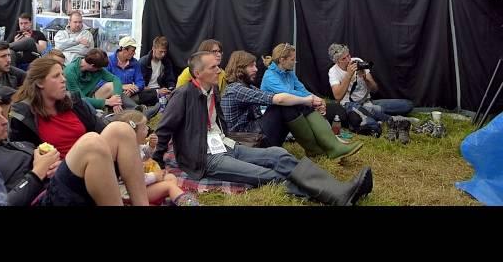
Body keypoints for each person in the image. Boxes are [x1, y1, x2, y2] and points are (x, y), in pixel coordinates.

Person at [152, 51, 373, 206]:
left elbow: (217, 125)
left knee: (278, 154)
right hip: (204, 157)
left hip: (226, 145)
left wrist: (230, 141)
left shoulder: (213, 91)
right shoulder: (184, 95)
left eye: (218, 66)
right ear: (197, 73)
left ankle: (340, 187)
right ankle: (336, 195)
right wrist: (159, 160)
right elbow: (164, 128)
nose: (219, 70)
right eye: (213, 67)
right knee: (266, 174)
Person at [9, 57, 149, 205]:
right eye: (56, 76)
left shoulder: (74, 103)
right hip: (59, 180)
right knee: (92, 142)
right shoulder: (24, 115)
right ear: (39, 83)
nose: (64, 80)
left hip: (93, 161)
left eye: (62, 74)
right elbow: (23, 162)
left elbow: (102, 130)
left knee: (122, 129)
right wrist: (44, 166)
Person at [0, 94, 144, 206]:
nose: (4, 121)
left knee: (120, 130)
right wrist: (37, 173)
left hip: (55, 187)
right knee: (91, 143)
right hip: (40, 200)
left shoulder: (12, 143)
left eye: (2, 114)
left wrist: (55, 164)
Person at [223, 50, 363, 159]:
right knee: (288, 104)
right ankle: (323, 148)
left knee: (295, 102)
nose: (256, 69)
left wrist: (313, 100)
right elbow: (280, 98)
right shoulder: (235, 89)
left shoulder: (251, 86)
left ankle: (324, 147)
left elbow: (300, 90)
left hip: (255, 136)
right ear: (239, 68)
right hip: (246, 143)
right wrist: (308, 100)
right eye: (251, 66)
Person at [327, 43, 414, 143]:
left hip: (368, 102)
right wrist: (348, 75)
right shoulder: (333, 71)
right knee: (367, 116)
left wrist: (365, 78)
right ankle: (394, 119)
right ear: (337, 61)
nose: (348, 60)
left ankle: (377, 114)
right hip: (351, 105)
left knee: (408, 105)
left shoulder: (358, 61)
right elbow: (338, 97)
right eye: (343, 59)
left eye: (348, 55)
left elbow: (375, 89)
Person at [114, 110, 199, 206]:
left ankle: (170, 199)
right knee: (170, 186)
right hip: (131, 193)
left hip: (140, 186)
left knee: (170, 177)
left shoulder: (134, 146)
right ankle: (190, 204)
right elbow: (137, 179)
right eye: (144, 128)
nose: (147, 129)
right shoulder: (128, 155)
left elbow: (145, 156)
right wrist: (156, 176)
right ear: (132, 134)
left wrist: (151, 146)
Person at [64, 48, 124, 113]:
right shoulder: (70, 72)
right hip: (76, 102)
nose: (101, 69)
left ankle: (119, 109)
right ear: (92, 66)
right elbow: (79, 99)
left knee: (111, 86)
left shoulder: (96, 67)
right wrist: (107, 102)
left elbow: (115, 79)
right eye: (99, 68)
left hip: (90, 96)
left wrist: (116, 100)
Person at [106, 36, 145, 112]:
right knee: (120, 94)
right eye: (132, 51)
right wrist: (122, 87)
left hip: (129, 94)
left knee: (151, 93)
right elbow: (102, 83)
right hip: (113, 94)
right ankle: (137, 109)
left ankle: (127, 106)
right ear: (124, 50)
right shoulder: (108, 61)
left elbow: (141, 82)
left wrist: (132, 90)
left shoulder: (135, 63)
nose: (134, 53)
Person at [138, 35, 176, 109]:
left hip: (161, 89)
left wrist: (170, 89)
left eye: (165, 52)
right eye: (161, 51)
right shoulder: (143, 62)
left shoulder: (166, 62)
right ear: (153, 49)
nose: (163, 54)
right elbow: (140, 85)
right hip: (147, 91)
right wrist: (157, 91)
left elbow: (170, 80)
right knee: (141, 95)